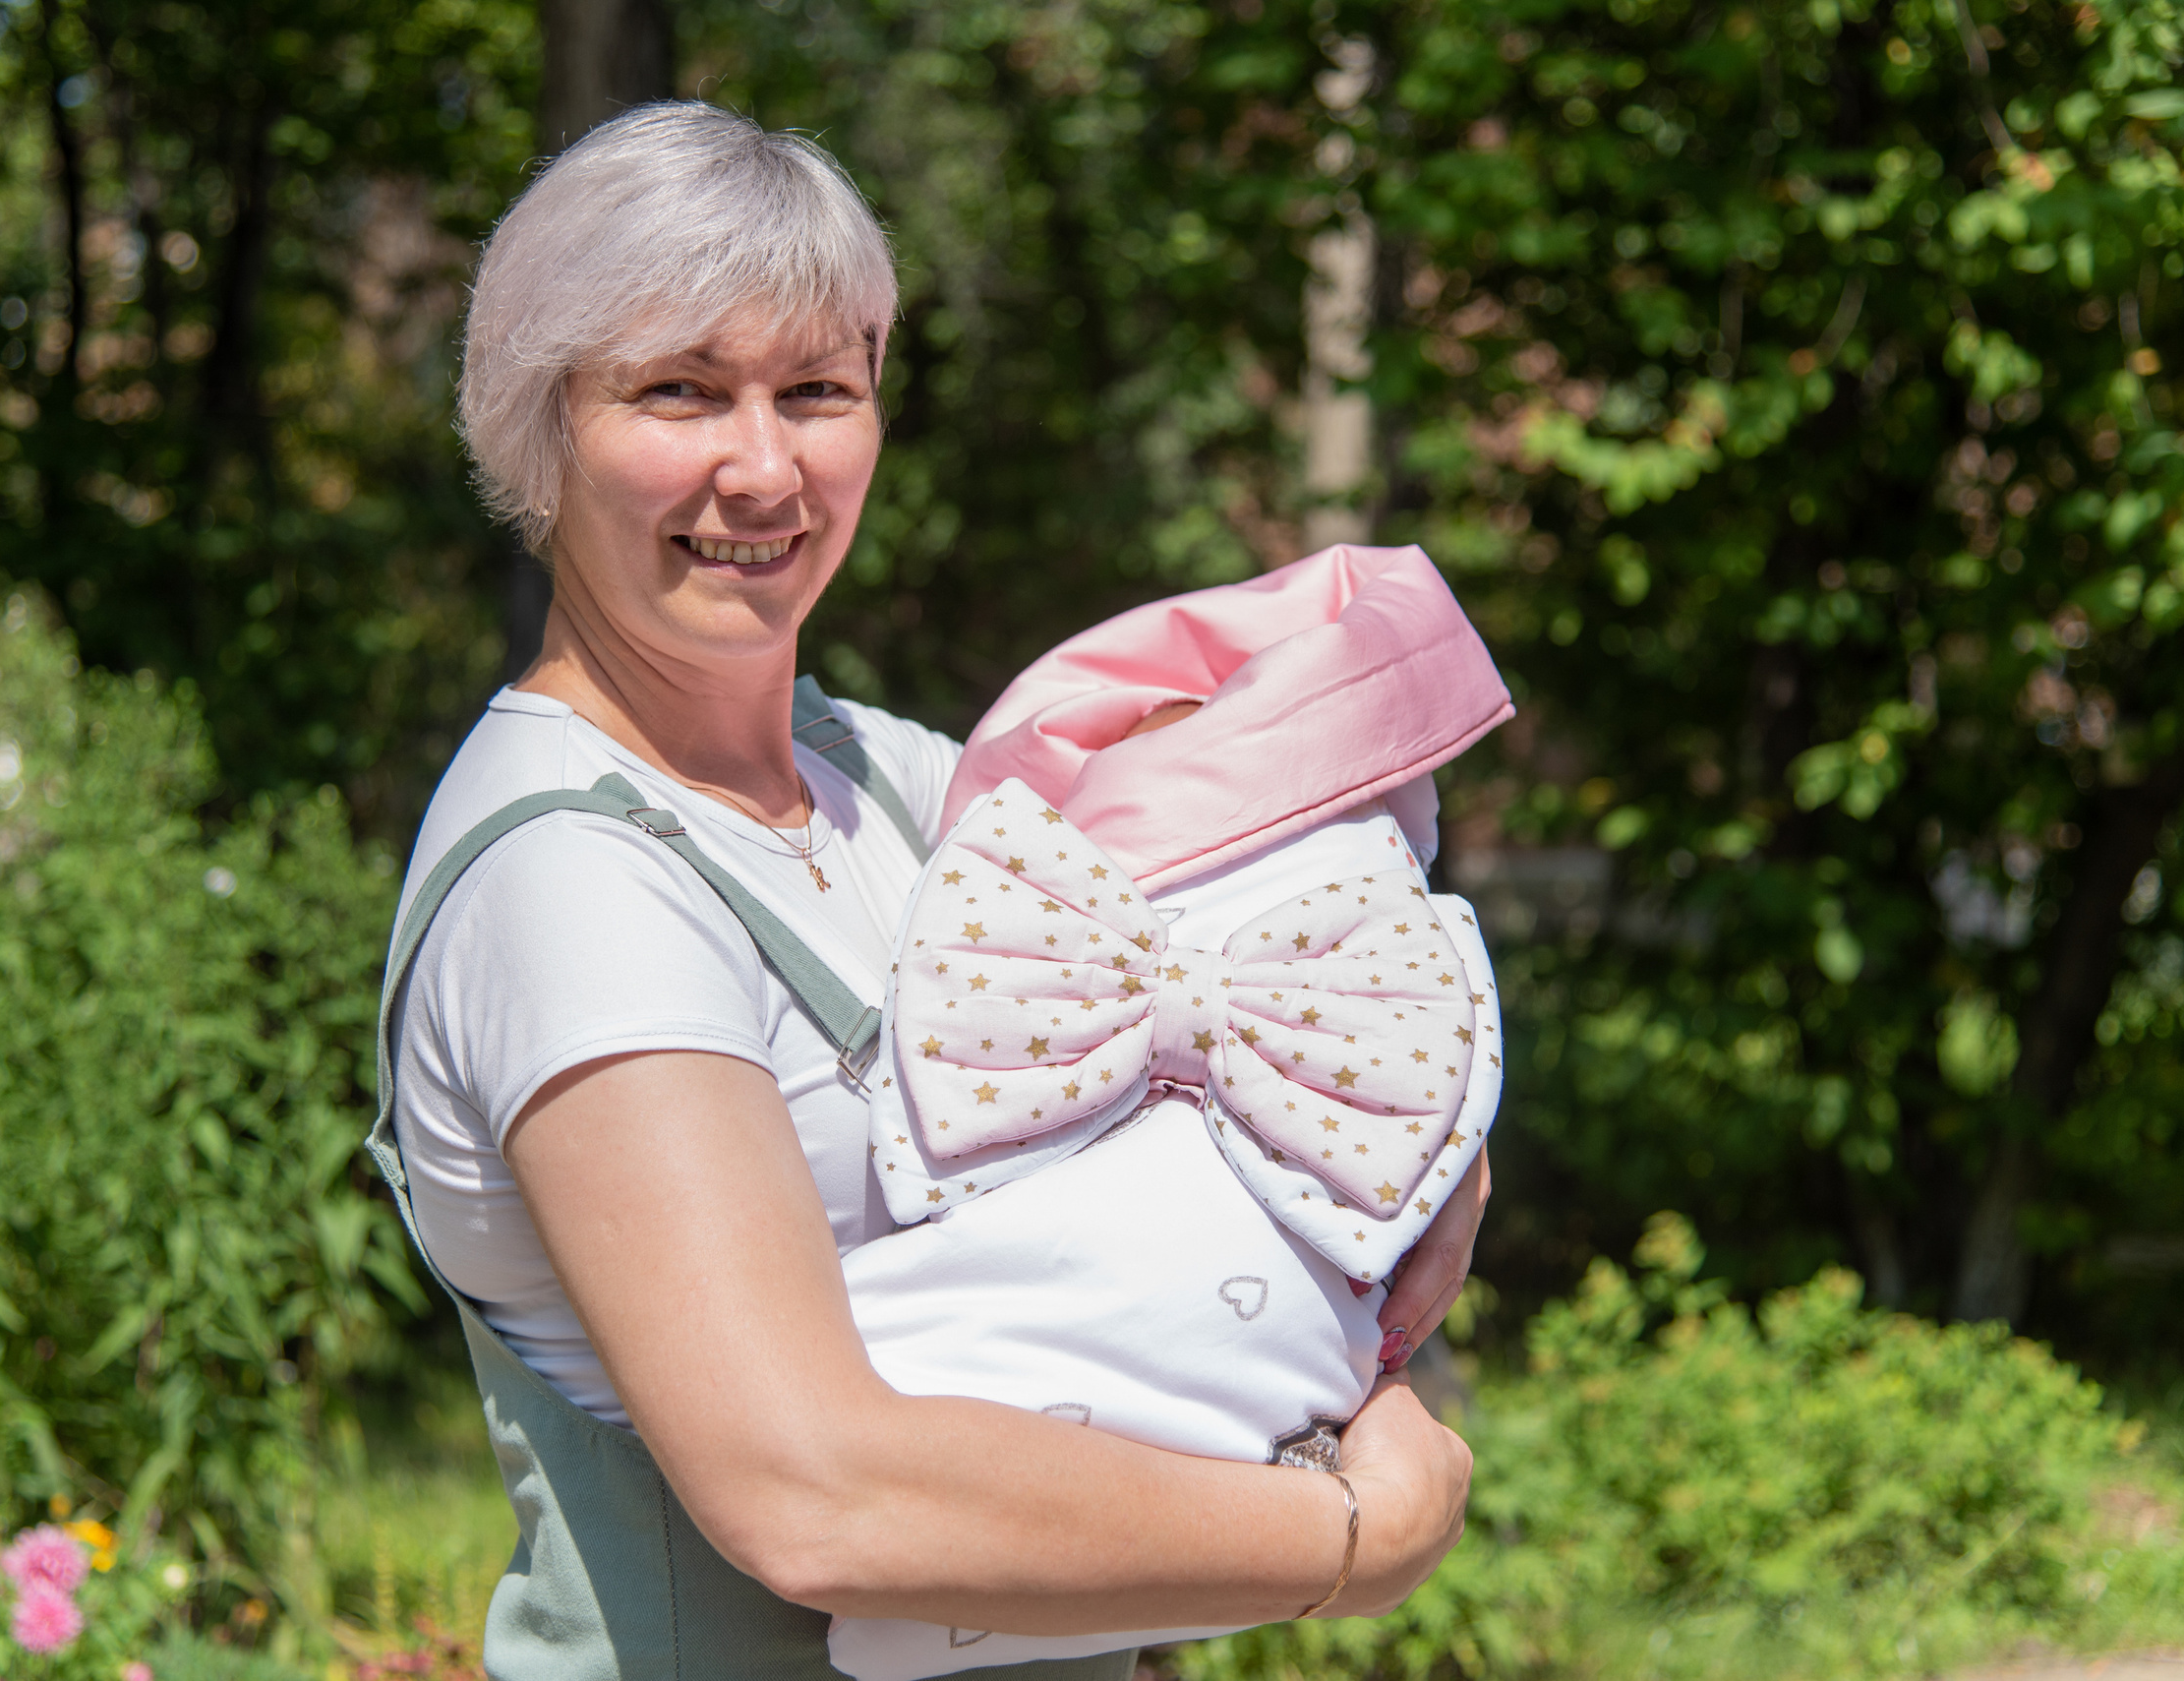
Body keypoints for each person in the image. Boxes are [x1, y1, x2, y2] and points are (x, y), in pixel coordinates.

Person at [370, 101, 1483, 1681]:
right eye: (679, 390)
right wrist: (1347, 1542)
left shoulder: (900, 783)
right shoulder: (571, 882)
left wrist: (1440, 1162)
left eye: (817, 391)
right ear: (538, 426)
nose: (764, 466)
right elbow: (813, 1494)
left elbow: (1303, 1014)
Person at [830, 544, 1511, 1679]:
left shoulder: (879, 772)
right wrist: (1362, 1535)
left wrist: (1446, 1096)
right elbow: (805, 1497)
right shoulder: (577, 845)